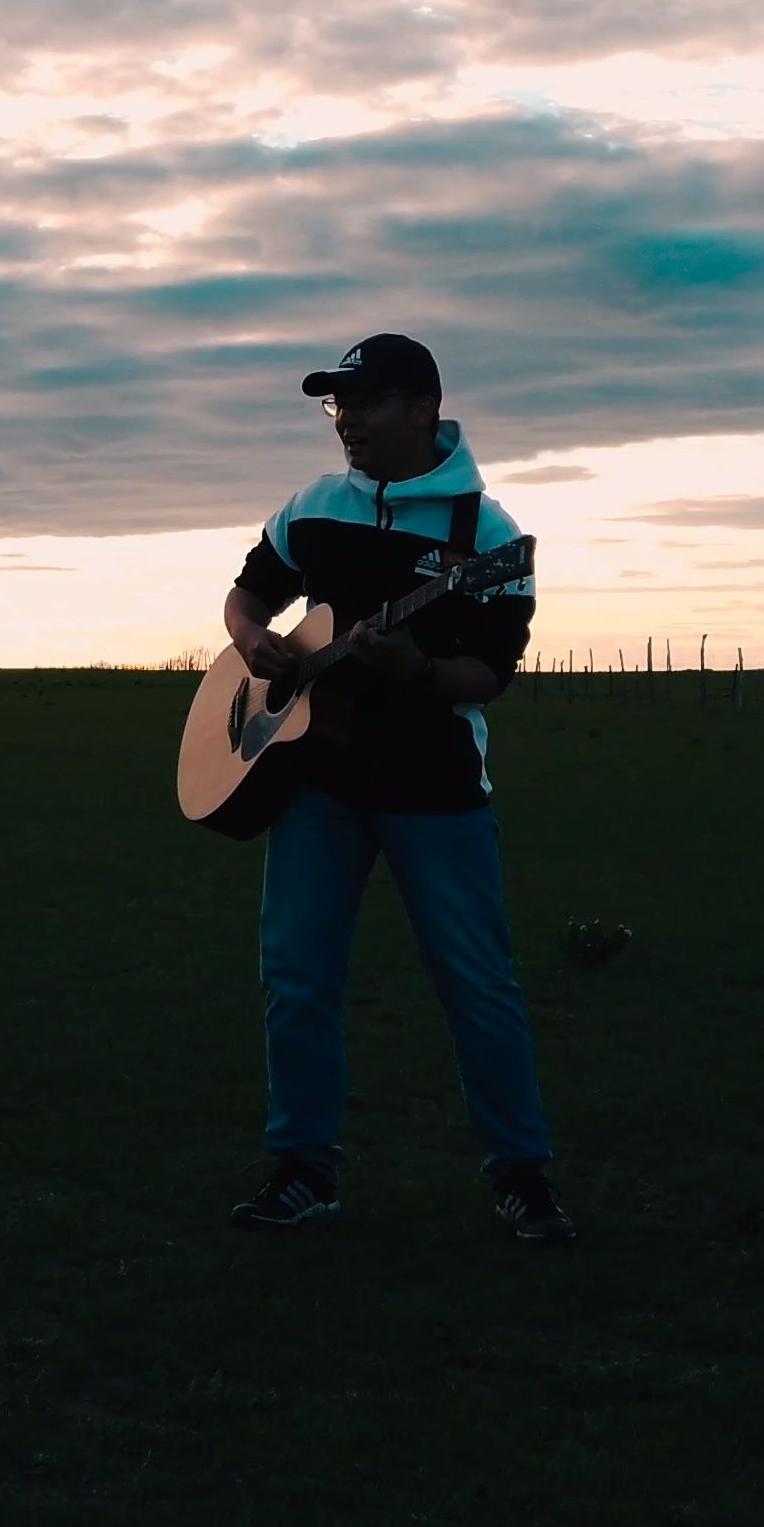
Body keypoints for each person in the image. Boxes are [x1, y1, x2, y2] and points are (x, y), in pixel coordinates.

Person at [216, 334, 572, 1244]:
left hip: (434, 788)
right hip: (314, 782)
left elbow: (490, 676)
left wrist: (416, 667)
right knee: (296, 980)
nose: (348, 422)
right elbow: (248, 594)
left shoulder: (485, 537)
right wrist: (254, 638)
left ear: (422, 409)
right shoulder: (312, 506)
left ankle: (522, 1176)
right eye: (338, 405)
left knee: (477, 983)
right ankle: (303, 1171)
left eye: (365, 403)